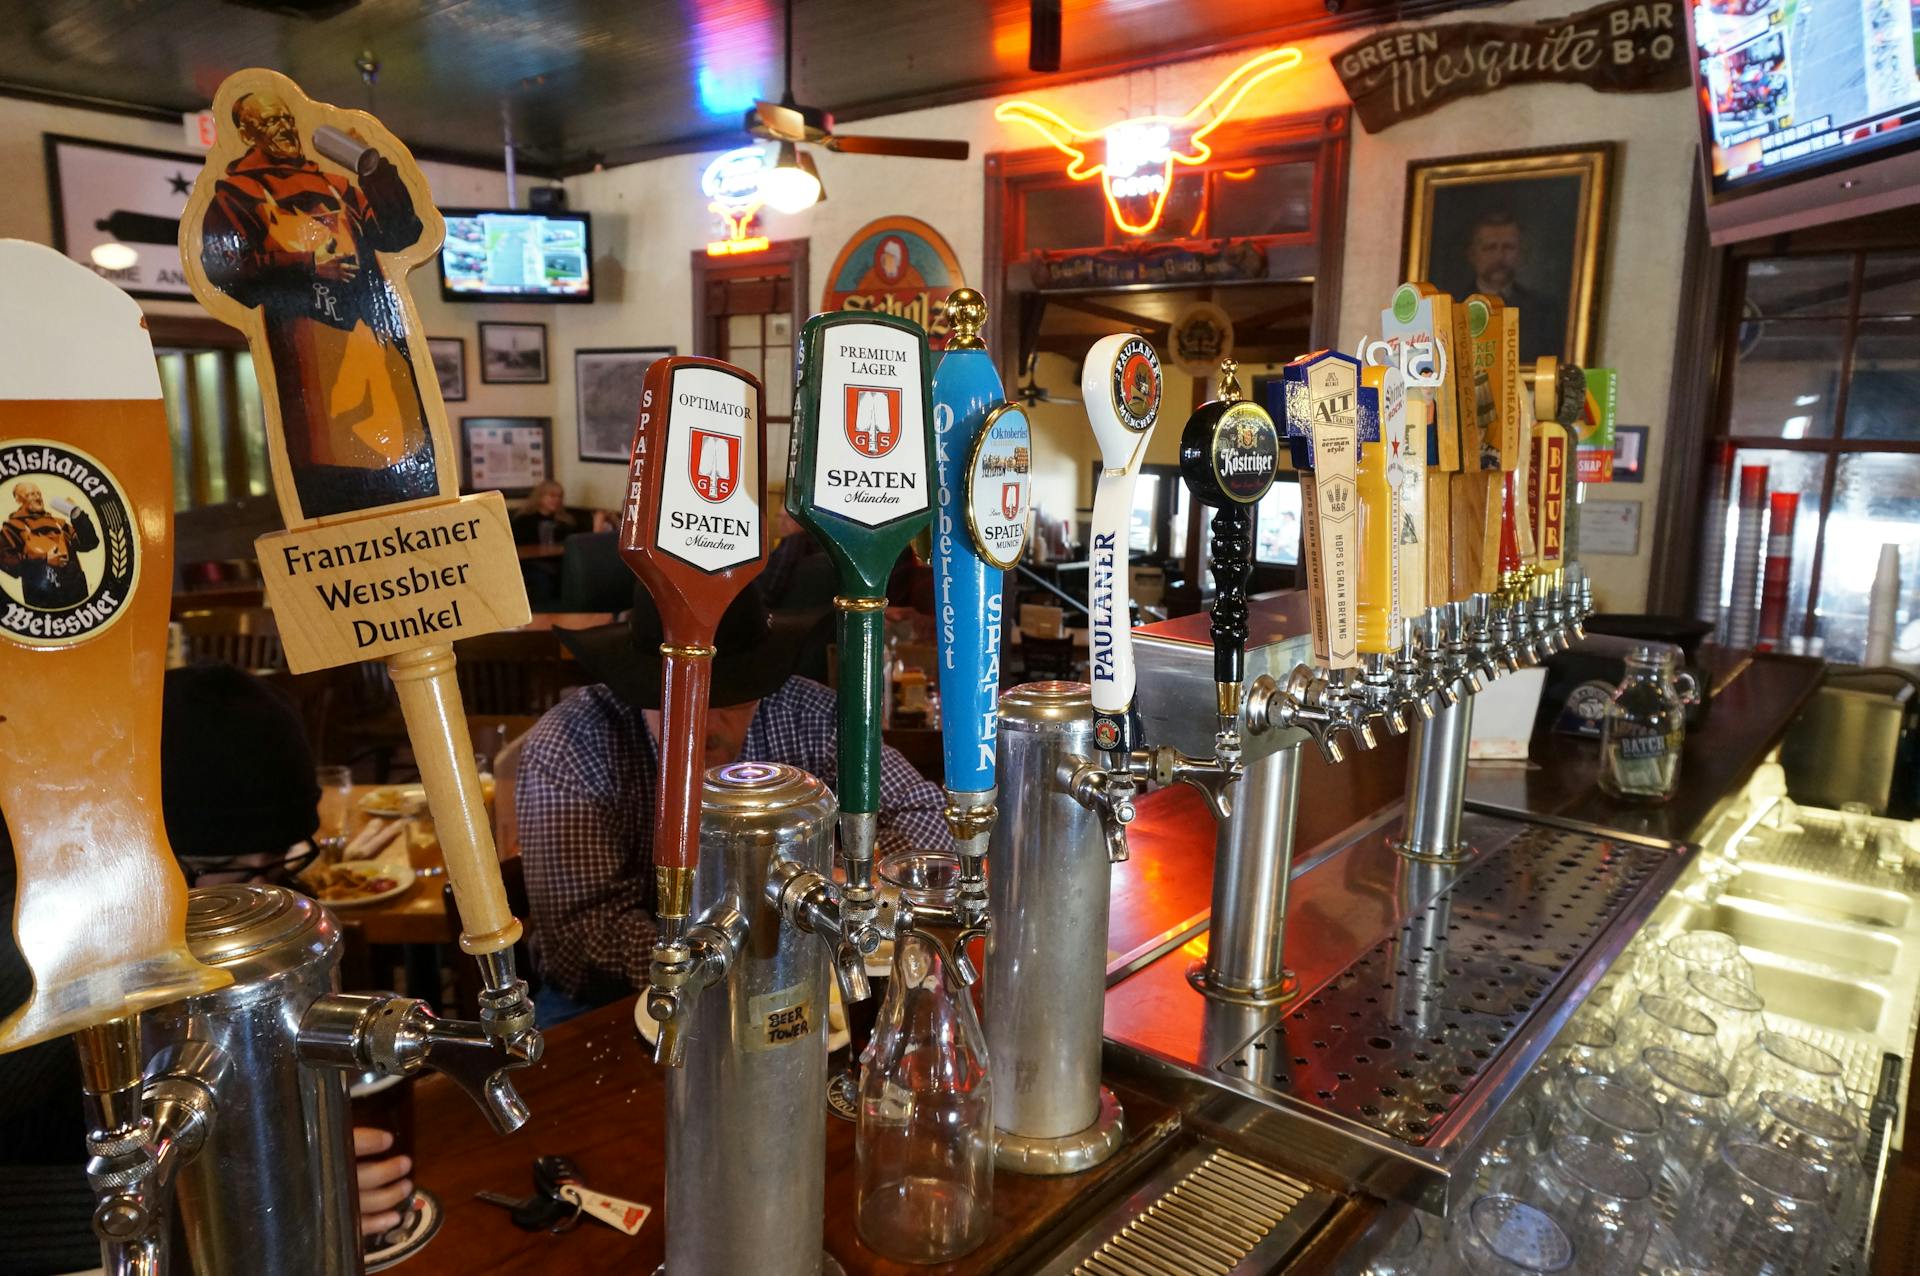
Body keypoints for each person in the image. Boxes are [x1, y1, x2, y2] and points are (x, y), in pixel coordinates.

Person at [518, 582, 949, 1024]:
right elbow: (580, 940)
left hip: (798, 987)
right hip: (610, 1004)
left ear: (760, 681)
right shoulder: (570, 745)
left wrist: (848, 879)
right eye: (674, 698)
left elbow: (927, 817)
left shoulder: (811, 716)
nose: (702, 723)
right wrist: (747, 949)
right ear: (638, 683)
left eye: (729, 696)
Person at [197, 89, 436, 520]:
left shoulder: (337, 184)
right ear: (248, 132)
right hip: (310, 356)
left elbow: (399, 234)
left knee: (402, 471)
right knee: (335, 483)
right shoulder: (237, 194)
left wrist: (376, 171)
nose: (284, 129)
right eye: (269, 122)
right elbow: (225, 270)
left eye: (286, 119)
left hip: (373, 344)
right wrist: (306, 264)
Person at [1457, 209, 1567, 363]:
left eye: (1508, 247)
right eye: (1490, 248)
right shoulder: (1452, 308)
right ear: (1472, 255)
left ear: (1521, 254)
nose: (1499, 257)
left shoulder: (1545, 312)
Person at [0, 482, 97, 610]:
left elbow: (89, 543)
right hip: (42, 598)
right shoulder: (12, 527)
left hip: (76, 594)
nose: (37, 497)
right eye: (31, 494)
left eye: (38, 493)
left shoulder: (59, 523)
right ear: (19, 500)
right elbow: (8, 563)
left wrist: (78, 516)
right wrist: (45, 559)